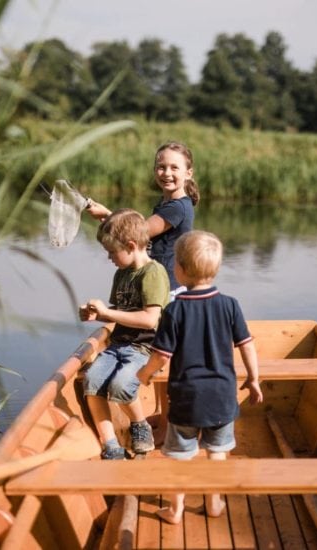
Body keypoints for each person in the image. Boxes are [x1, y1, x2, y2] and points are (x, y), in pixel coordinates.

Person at [137, 230, 263, 524]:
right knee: (217, 453)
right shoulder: (230, 304)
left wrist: (143, 374)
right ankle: (214, 502)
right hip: (221, 397)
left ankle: (175, 509)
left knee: (180, 456)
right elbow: (247, 344)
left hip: (186, 398)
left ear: (178, 270)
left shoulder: (174, 310)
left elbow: (161, 356)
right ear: (216, 269)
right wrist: (254, 379)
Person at [86, 142, 200, 439]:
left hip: (170, 292)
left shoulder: (177, 206)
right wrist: (108, 217)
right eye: (161, 166)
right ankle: (163, 419)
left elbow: (138, 233)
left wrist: (106, 215)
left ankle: (167, 425)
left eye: (175, 167)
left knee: (165, 360)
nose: (167, 173)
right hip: (161, 287)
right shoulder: (165, 204)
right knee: (162, 357)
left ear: (189, 173)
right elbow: (134, 235)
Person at [79, 209, 170, 460]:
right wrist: (97, 315)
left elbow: (150, 320)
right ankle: (110, 444)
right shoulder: (121, 273)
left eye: (111, 252)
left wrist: (108, 313)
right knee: (92, 382)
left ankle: (140, 426)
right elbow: (120, 312)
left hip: (145, 348)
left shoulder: (153, 273)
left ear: (131, 246)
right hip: (118, 344)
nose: (109, 258)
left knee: (121, 385)